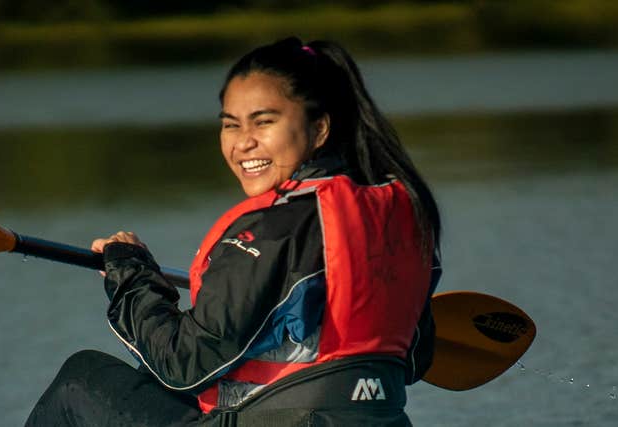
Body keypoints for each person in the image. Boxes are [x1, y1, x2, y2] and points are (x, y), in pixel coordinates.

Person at [25, 37, 442, 427]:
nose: (243, 143)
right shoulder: (404, 216)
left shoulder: (275, 230)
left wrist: (129, 279)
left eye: (263, 122)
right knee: (147, 381)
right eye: (231, 125)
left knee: (80, 379)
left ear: (319, 128)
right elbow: (414, 359)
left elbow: (185, 363)